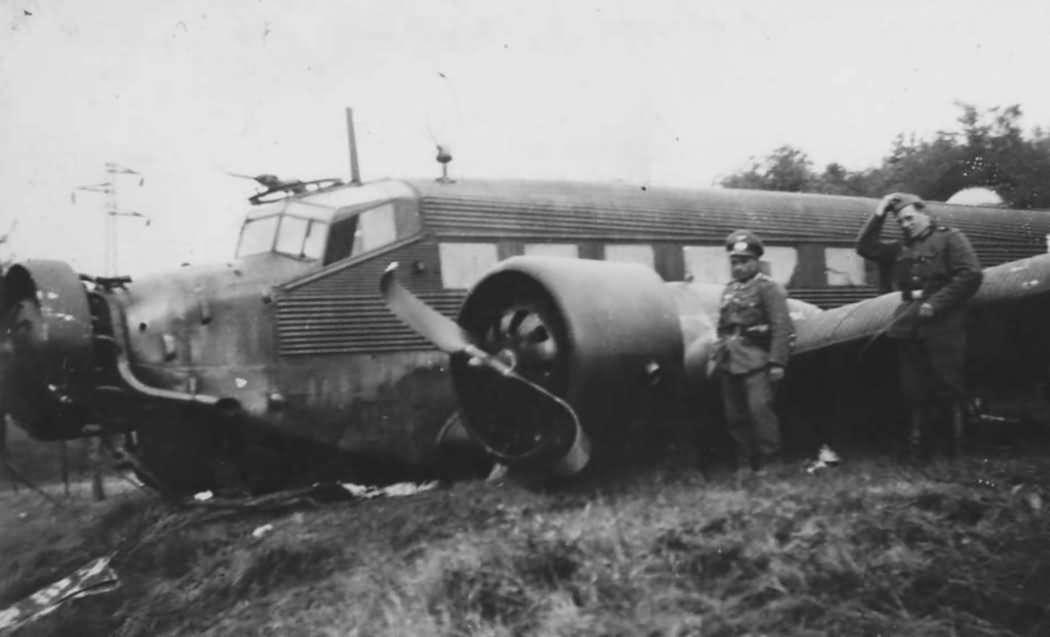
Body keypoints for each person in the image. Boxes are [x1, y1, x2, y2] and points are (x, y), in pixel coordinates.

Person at [855, 192, 982, 460]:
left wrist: (936, 304)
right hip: (909, 325)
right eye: (900, 221)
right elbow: (864, 247)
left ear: (926, 214)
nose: (905, 224)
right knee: (914, 392)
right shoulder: (899, 249)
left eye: (910, 218)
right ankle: (921, 454)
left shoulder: (950, 238)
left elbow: (970, 274)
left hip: (943, 325)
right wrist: (879, 213)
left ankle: (952, 455)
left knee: (947, 389)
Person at [712, 230, 795, 474]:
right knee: (735, 415)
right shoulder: (729, 290)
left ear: (756, 261)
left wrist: (777, 362)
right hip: (730, 359)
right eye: (734, 262)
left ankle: (771, 462)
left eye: (744, 261)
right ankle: (745, 463)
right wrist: (718, 352)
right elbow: (722, 326)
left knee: (760, 411)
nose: (738, 267)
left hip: (757, 359)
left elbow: (782, 327)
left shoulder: (769, 289)